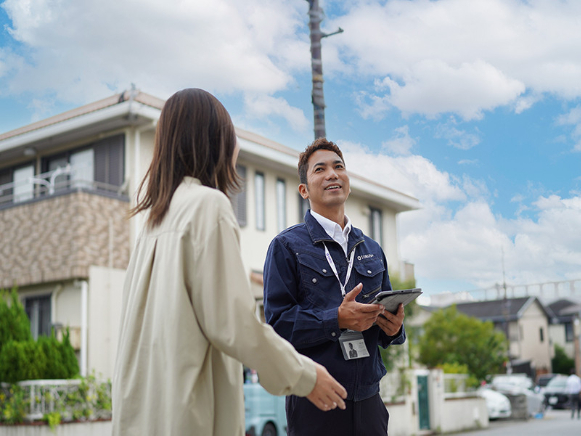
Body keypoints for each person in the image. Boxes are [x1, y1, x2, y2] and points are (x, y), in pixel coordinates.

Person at [112, 89, 347, 436]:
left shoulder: (153, 220)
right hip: (189, 417)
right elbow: (234, 324)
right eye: (230, 133)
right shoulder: (209, 206)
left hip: (141, 417)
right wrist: (305, 375)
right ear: (215, 141)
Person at [263, 138, 406, 436]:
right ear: (304, 190)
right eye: (320, 169)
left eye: (338, 167)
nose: (332, 174)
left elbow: (386, 321)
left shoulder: (372, 249)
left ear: (348, 183)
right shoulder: (286, 247)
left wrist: (394, 329)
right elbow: (277, 326)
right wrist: (336, 319)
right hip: (316, 402)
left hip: (370, 402)